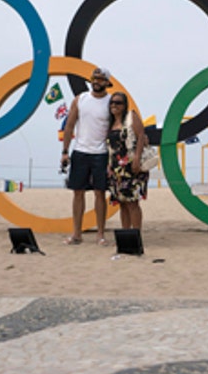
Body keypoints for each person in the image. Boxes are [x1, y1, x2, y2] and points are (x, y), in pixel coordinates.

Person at [60, 67, 112, 246]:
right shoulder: (80, 99)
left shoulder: (111, 102)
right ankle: (77, 234)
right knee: (78, 193)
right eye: (94, 78)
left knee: (100, 193)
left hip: (102, 153)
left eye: (101, 79)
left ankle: (100, 234)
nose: (97, 82)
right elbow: (69, 126)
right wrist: (65, 152)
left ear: (107, 82)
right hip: (80, 151)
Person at [105, 92, 150, 229]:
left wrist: (136, 157)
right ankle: (126, 234)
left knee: (132, 203)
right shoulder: (110, 123)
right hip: (116, 169)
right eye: (112, 102)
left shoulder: (131, 117)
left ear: (124, 105)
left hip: (131, 166)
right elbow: (110, 147)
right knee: (122, 203)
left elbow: (141, 136)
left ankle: (136, 235)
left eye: (118, 102)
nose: (114, 105)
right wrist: (109, 165)